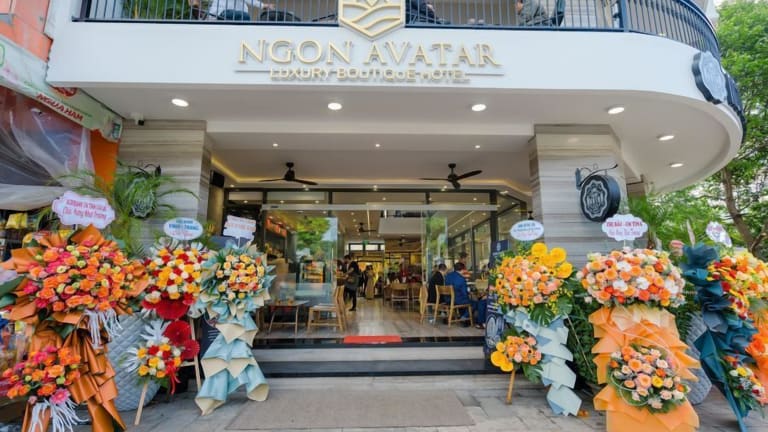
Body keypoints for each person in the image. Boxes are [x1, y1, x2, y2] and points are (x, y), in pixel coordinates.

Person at [188, 0, 273, 21]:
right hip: (222, 13)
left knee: (245, 17)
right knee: (245, 17)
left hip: (224, 15)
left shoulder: (243, 6)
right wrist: (263, 5)